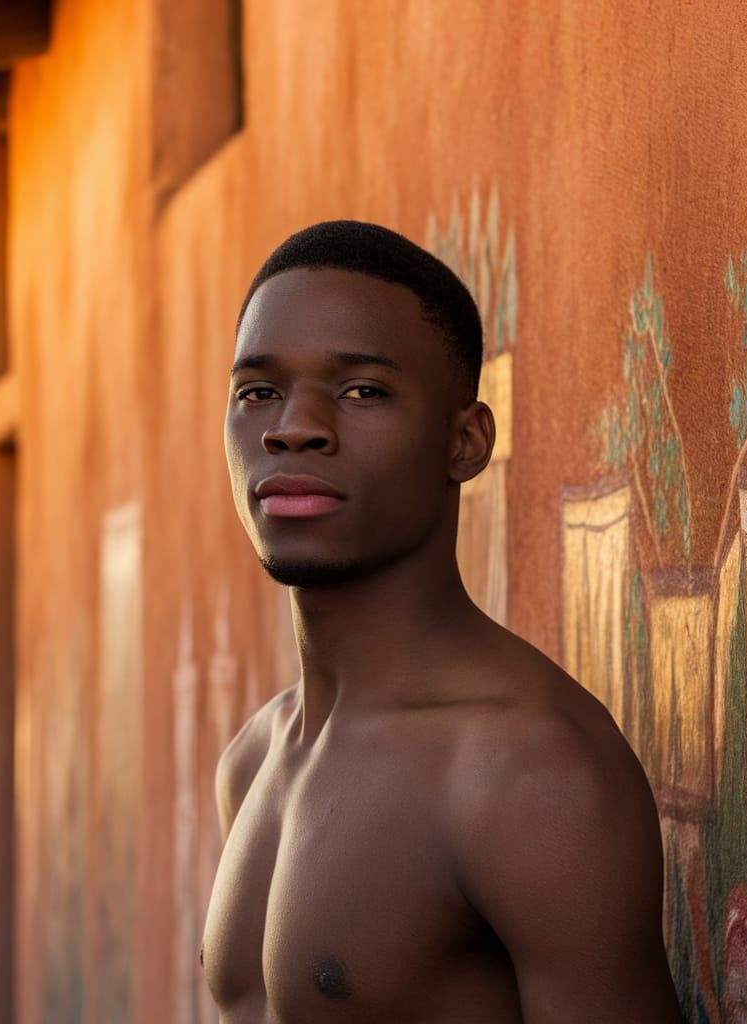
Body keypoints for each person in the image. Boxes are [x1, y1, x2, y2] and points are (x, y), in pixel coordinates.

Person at [202, 220, 683, 1023]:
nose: (292, 426)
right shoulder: (252, 763)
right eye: (258, 392)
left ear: (466, 441)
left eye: (362, 391)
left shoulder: (528, 770)